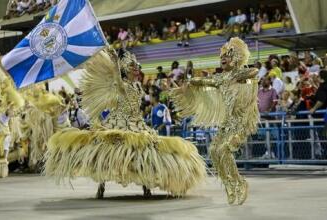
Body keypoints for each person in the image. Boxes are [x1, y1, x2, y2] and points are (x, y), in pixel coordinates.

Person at [44, 48, 206, 199]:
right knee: (112, 149)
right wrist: (114, 63)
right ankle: (102, 185)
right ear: (125, 69)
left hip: (137, 122)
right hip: (120, 122)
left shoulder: (137, 86)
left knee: (145, 150)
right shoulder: (120, 85)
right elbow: (119, 83)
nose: (137, 68)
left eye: (138, 66)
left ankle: (146, 185)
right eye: (132, 66)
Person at [172, 37, 259, 205]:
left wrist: (238, 74)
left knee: (225, 150)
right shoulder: (220, 78)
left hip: (240, 122)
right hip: (227, 124)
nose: (223, 59)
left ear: (235, 59)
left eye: (227, 56)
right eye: (221, 57)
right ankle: (228, 184)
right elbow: (203, 81)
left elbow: (254, 71)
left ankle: (240, 183)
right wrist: (189, 82)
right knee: (213, 151)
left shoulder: (237, 74)